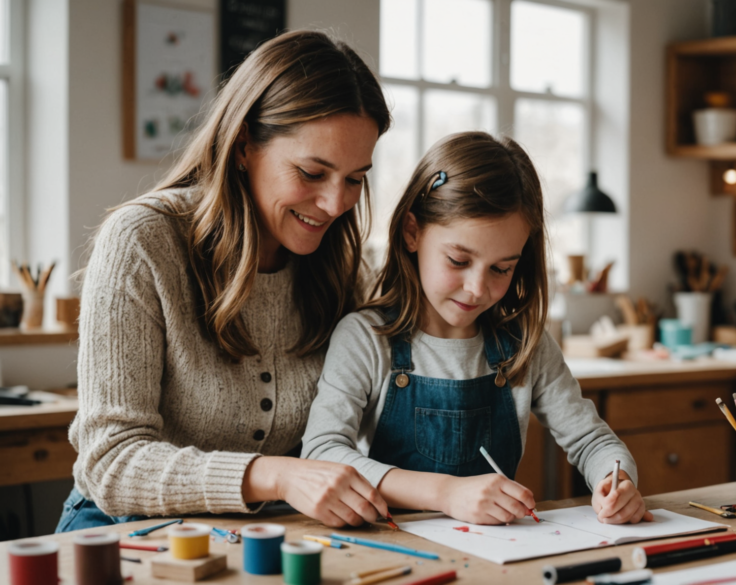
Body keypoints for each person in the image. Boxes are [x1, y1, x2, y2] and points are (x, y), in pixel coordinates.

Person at [57, 30, 392, 532]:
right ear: (242, 147)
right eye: (311, 172)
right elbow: (110, 463)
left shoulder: (343, 267)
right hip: (123, 528)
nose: (335, 204)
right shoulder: (143, 241)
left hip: (266, 532)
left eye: (355, 178)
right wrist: (274, 476)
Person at [303, 132, 652, 525]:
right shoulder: (365, 337)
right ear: (412, 232)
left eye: (501, 268)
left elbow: (593, 441)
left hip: (499, 554)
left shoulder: (525, 345)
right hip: (395, 545)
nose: (477, 288)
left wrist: (615, 481)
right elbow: (321, 453)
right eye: (457, 260)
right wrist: (445, 493)